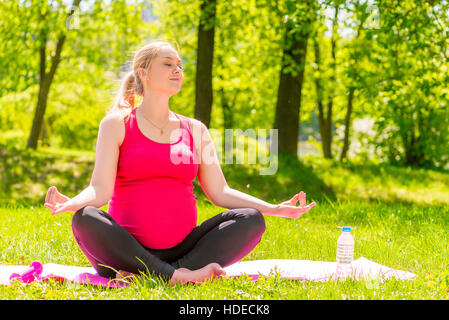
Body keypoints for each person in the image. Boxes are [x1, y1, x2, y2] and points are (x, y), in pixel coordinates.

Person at [44, 41, 317, 286]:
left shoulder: (196, 129)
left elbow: (220, 192)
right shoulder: (116, 124)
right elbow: (100, 190)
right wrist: (74, 202)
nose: (178, 70)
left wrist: (273, 209)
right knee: (85, 218)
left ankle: (159, 274)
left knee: (250, 220)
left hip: (185, 249)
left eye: (180, 65)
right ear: (143, 72)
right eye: (168, 64)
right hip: (125, 250)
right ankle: (178, 276)